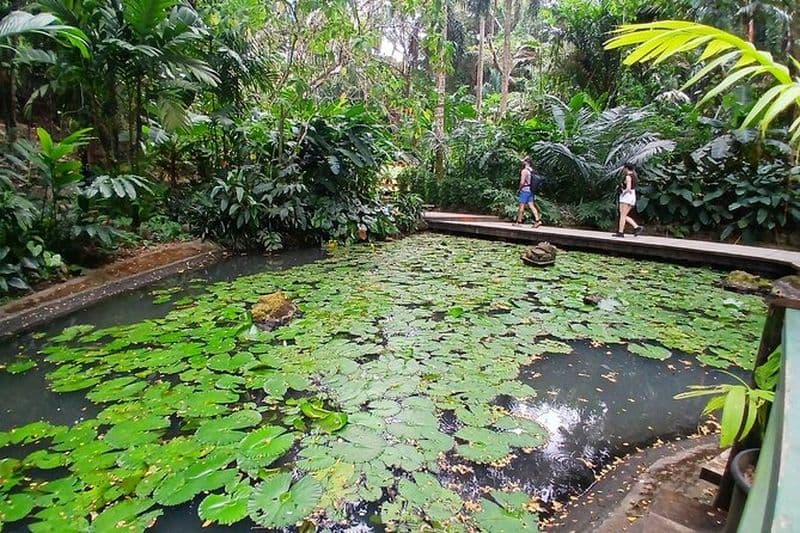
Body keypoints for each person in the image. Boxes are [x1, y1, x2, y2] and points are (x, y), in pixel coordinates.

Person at [613, 163, 644, 237]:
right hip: (632, 196)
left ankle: (620, 232)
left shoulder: (628, 176)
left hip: (626, 197)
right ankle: (636, 227)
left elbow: (628, 188)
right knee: (623, 215)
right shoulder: (634, 176)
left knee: (622, 215)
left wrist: (623, 192)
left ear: (626, 168)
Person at [515, 157, 542, 227]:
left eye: (523, 161)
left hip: (525, 190)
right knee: (531, 205)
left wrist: (519, 189)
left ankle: (519, 222)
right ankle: (538, 220)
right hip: (531, 190)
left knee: (521, 206)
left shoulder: (524, 171)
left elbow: (522, 182)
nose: (522, 162)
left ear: (526, 163)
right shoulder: (531, 171)